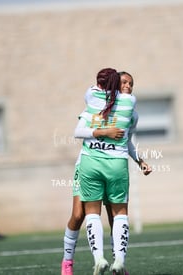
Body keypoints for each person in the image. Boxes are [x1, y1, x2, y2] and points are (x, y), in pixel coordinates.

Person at [61, 68, 151, 275]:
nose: (128, 86)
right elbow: (79, 131)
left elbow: (126, 141)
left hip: (111, 164)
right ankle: (67, 262)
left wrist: (140, 160)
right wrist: (104, 131)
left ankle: (117, 264)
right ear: (114, 85)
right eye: (124, 82)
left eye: (131, 84)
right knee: (77, 215)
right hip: (87, 164)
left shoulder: (131, 115)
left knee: (114, 216)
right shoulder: (94, 106)